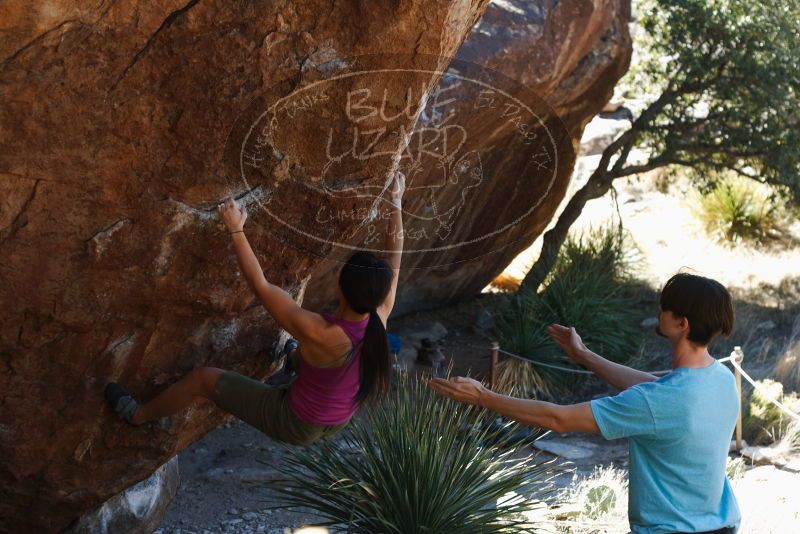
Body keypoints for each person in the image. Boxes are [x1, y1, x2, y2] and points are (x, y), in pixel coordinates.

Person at [105, 171, 406, 446]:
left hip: (296, 422)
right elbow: (396, 256)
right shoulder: (380, 312)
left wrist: (236, 230)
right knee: (308, 351)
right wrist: (395, 202)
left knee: (203, 379)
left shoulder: (321, 332)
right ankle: (292, 356)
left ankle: (137, 415)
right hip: (337, 417)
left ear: (340, 287)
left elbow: (260, 286)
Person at [431, 273, 742, 534]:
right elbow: (653, 386)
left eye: (664, 307)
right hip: (722, 525)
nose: (659, 311)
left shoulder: (659, 400)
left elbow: (559, 419)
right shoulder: (720, 379)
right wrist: (583, 355)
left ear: (681, 323)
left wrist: (484, 397)